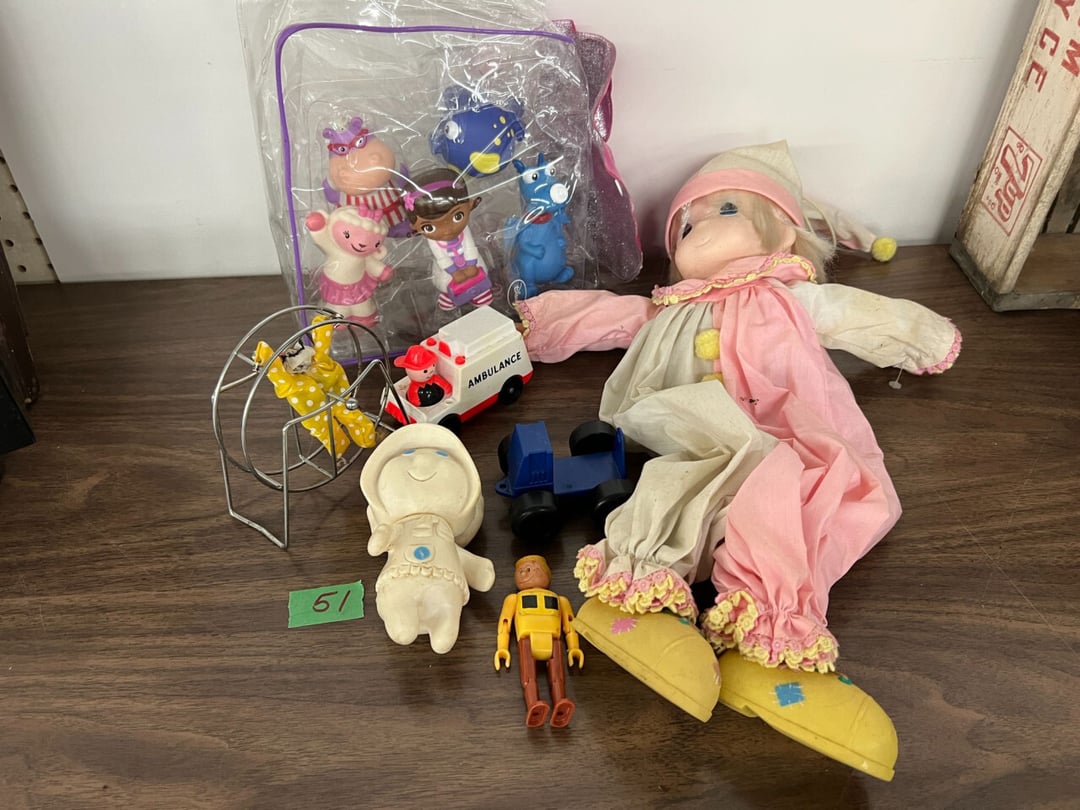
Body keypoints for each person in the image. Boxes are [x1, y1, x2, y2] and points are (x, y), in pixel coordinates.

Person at [512, 141, 961, 780]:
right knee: (694, 471)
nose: (698, 229)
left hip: (787, 422)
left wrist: (927, 340)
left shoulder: (790, 296)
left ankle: (772, 648)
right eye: (685, 225)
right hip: (691, 421)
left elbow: (862, 316)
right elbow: (607, 315)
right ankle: (639, 600)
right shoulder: (670, 305)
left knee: (824, 489)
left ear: (781, 231)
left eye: (725, 208)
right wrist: (533, 325)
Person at [494, 555, 584, 728]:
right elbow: (505, 622)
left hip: (554, 640)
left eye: (529, 569)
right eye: (520, 571)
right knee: (529, 677)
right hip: (527, 640)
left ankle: (561, 703)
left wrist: (574, 647)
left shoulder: (560, 600)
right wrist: (502, 647)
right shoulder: (515, 598)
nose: (524, 574)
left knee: (557, 677)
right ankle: (533, 706)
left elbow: (570, 623)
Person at [403, 168, 494, 310]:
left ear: (470, 205)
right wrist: (454, 272)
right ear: (414, 227)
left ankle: (479, 292)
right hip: (447, 269)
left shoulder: (464, 230)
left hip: (471, 263)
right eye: (429, 227)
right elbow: (441, 257)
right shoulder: (433, 241)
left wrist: (471, 265)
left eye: (457, 216)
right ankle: (449, 295)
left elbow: (470, 246)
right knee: (446, 283)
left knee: (479, 274)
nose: (447, 230)